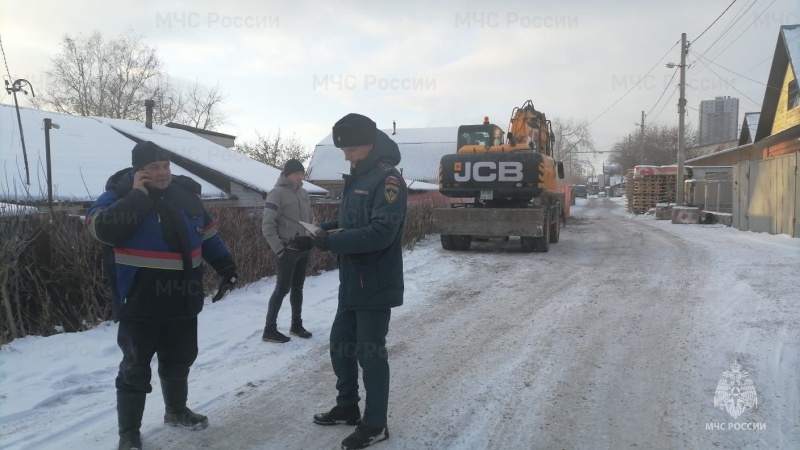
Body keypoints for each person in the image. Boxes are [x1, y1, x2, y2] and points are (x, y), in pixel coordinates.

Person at [85, 141, 238, 450]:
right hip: (140, 302)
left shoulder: (185, 197)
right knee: (134, 368)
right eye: (153, 167)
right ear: (137, 170)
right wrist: (137, 197)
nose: (162, 173)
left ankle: (176, 411)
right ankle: (129, 434)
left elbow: (208, 235)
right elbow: (103, 231)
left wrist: (226, 266)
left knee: (180, 358)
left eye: (166, 166)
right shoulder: (116, 196)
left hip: (183, 298)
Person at [311, 113, 407, 449]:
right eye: (344, 149)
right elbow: (355, 219)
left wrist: (332, 242)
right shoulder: (360, 174)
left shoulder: (388, 180)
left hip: (376, 282)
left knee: (370, 353)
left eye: (351, 148)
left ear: (369, 143)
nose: (346, 155)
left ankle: (376, 423)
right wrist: (326, 228)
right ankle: (348, 407)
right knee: (340, 345)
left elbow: (381, 232)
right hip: (352, 281)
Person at [260, 158, 315, 343]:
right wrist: (280, 250)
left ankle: (296, 325)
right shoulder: (276, 193)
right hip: (287, 250)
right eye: (297, 173)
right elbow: (267, 225)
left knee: (298, 288)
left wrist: (312, 233)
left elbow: (310, 218)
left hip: (303, 248)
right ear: (287, 174)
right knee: (282, 289)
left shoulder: (304, 193)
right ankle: (269, 329)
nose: (301, 177)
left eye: (302, 174)